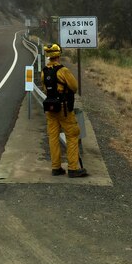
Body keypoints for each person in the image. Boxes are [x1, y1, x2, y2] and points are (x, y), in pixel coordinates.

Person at [41, 43, 88, 178]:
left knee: (53, 137)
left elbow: (45, 88)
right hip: (64, 109)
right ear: (58, 55)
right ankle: (73, 168)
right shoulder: (63, 71)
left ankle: (56, 167)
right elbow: (74, 87)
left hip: (50, 109)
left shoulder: (44, 71)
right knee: (72, 135)